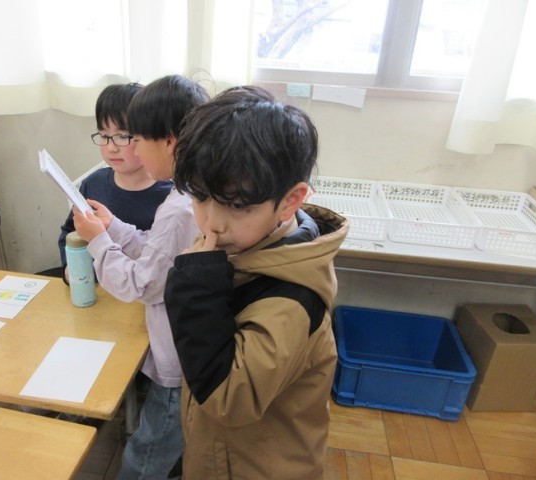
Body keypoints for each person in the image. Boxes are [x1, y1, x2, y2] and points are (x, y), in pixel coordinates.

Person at [163, 86, 350, 479]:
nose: (212, 222)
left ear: (290, 200)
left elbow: (228, 397)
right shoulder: (248, 246)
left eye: (237, 206)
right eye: (200, 197)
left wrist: (193, 292)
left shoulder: (290, 301)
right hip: (222, 455)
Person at [73, 74, 210, 480]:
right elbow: (157, 250)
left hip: (177, 357)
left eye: (135, 139)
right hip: (183, 346)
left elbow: (142, 284)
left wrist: (99, 241)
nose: (127, 148)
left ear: (169, 142)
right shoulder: (189, 193)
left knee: (146, 452)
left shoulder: (179, 208)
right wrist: (114, 228)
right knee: (159, 436)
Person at [58, 83, 172, 283]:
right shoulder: (93, 184)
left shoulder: (170, 197)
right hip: (95, 289)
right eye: (104, 135)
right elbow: (70, 233)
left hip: (144, 291)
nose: (111, 147)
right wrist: (70, 266)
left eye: (123, 136)